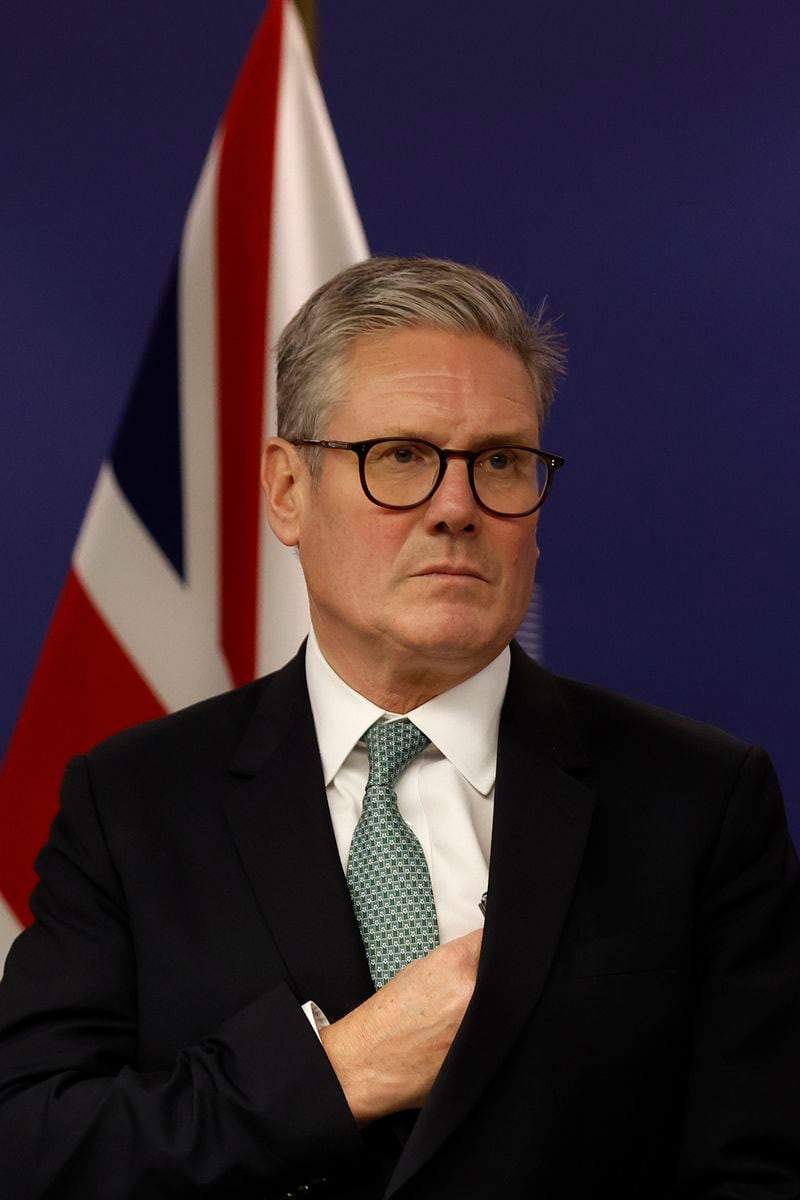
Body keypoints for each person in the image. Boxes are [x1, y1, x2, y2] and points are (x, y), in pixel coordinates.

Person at [0, 257, 798, 1200]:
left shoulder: (698, 801)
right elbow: (34, 1148)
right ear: (287, 490)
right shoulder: (132, 803)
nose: (457, 508)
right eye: (402, 458)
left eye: (500, 461)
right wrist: (333, 1077)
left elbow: (758, 1173)